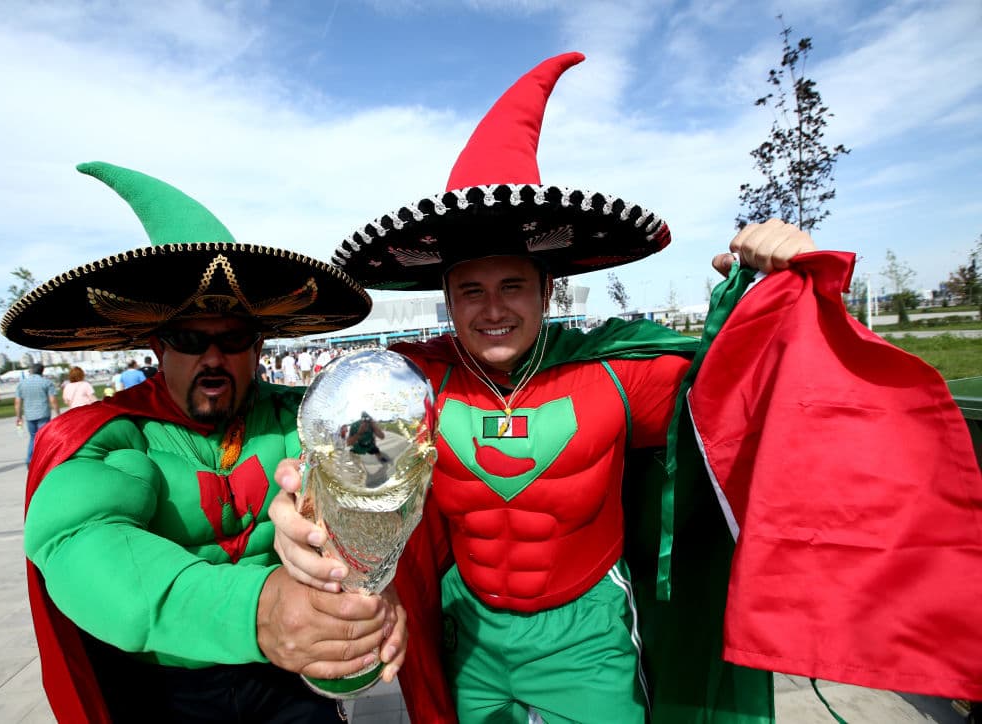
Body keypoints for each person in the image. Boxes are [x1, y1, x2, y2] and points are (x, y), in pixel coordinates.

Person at [271, 53, 982, 723]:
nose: (492, 309)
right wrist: (301, 502)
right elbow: (335, 453)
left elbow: (748, 397)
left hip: (587, 635)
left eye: (513, 285)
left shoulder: (621, 373)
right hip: (470, 630)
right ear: (447, 300)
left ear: (550, 290)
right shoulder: (410, 382)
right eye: (471, 291)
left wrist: (781, 285)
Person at [1, 161, 406, 723]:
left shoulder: (304, 413)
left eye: (233, 338)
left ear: (258, 343)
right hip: (170, 693)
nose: (213, 358)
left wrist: (370, 566)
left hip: (291, 689)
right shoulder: (113, 437)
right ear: (158, 348)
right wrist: (258, 612)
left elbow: (388, 464)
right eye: (190, 339)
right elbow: (78, 542)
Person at [14, 362, 58, 466]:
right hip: (43, 414)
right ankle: (44, 460)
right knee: (43, 438)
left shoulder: (22, 384)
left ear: (32, 370)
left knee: (33, 438)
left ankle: (30, 460)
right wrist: (58, 413)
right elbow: (53, 400)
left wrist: (19, 416)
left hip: (29, 415)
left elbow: (17, 402)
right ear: (42, 371)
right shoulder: (46, 382)